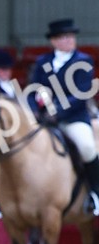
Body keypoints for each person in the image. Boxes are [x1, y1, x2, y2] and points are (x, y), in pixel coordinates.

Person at [30, 18, 99, 214]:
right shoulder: (42, 62)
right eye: (64, 37)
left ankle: (95, 193)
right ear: (54, 41)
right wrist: (35, 108)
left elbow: (81, 95)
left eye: (71, 36)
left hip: (73, 119)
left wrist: (58, 112)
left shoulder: (84, 61)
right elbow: (32, 89)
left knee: (87, 148)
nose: (70, 40)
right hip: (45, 120)